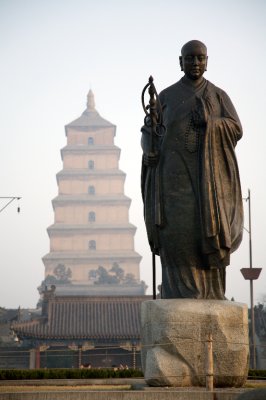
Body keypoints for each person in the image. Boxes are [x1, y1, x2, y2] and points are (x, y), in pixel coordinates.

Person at [141, 40, 243, 299]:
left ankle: (210, 293)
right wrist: (150, 147)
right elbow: (150, 134)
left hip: (208, 180)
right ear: (180, 61)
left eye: (200, 58)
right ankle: (177, 292)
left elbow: (236, 128)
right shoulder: (165, 96)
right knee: (177, 235)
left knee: (206, 232)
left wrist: (211, 123)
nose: (195, 63)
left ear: (207, 61)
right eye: (190, 58)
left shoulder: (218, 95)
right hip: (173, 181)